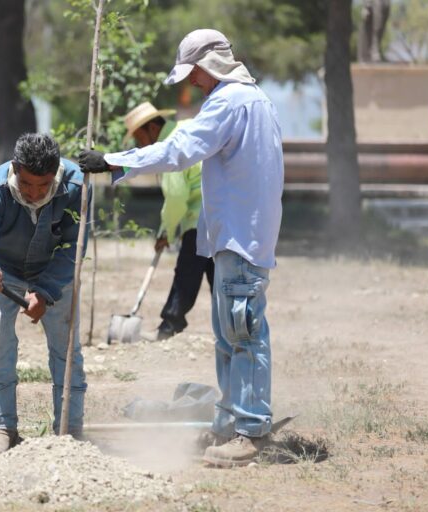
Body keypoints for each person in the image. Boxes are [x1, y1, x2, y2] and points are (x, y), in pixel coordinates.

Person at [79, 29, 284, 467]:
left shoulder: (230, 102)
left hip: (240, 238)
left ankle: (250, 431)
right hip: (238, 235)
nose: (192, 83)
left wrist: (116, 160)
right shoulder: (255, 101)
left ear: (208, 66)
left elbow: (181, 149)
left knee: (243, 333)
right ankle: (230, 424)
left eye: (193, 73)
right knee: (230, 335)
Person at [0, 133, 88, 459]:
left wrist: (45, 292)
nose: (34, 193)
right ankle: (2, 428)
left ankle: (69, 431)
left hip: (56, 275)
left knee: (66, 347)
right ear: (15, 168)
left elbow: (75, 247)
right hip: (3, 275)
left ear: (56, 173)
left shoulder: (76, 187)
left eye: (43, 186)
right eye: (27, 184)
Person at [122, 102, 215, 341]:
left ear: (152, 128)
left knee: (188, 270)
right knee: (218, 272)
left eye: (139, 138)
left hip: (200, 218)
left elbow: (176, 198)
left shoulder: (169, 147)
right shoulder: (186, 127)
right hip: (222, 212)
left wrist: (167, 231)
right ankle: (230, 325)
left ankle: (169, 325)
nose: (139, 146)